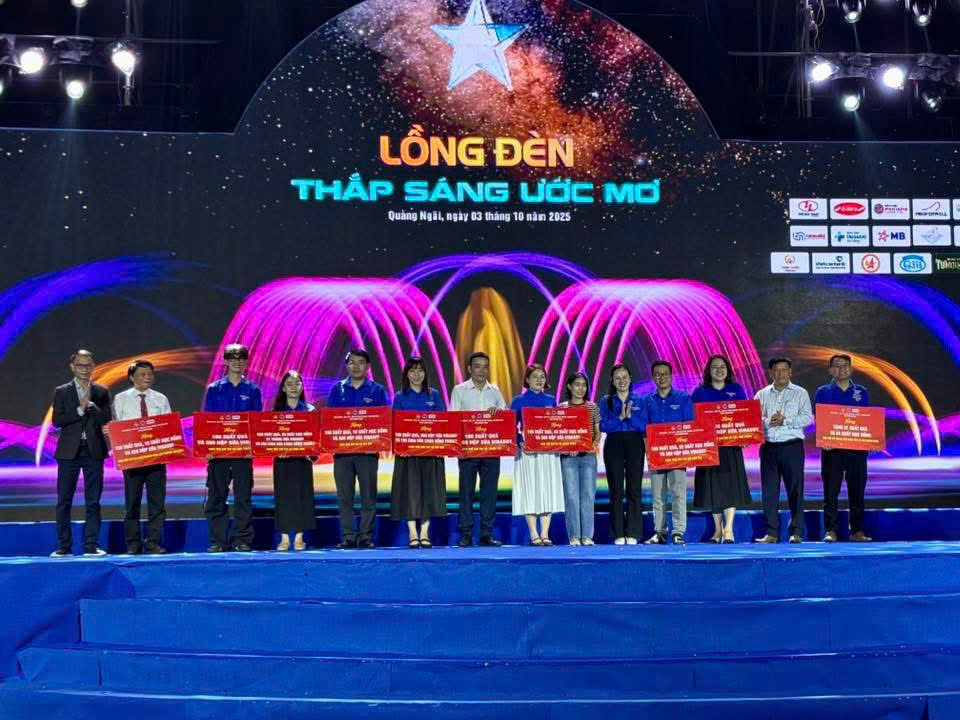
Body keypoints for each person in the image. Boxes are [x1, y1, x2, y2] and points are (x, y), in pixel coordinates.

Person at [50, 349, 112, 557]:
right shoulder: (62, 391)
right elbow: (57, 421)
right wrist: (79, 410)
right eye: (80, 365)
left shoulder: (101, 391)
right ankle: (64, 547)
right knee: (64, 500)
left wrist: (93, 408)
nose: (85, 369)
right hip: (69, 452)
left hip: (94, 451)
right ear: (72, 367)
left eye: (88, 365)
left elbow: (107, 420)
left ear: (93, 367)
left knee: (93, 501)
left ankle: (91, 546)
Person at [203, 343, 263, 553]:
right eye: (233, 358)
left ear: (246, 362)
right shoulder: (214, 389)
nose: (237, 362)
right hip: (219, 453)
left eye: (242, 358)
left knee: (243, 497)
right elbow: (207, 421)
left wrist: (253, 447)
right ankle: (218, 541)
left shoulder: (253, 389)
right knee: (216, 497)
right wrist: (208, 448)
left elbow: (257, 421)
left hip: (243, 453)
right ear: (226, 361)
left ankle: (241, 540)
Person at [327, 349, 389, 549]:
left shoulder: (377, 390)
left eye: (360, 362)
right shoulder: (337, 390)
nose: (356, 366)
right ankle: (348, 536)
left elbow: (383, 421)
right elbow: (331, 421)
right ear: (347, 366)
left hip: (368, 454)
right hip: (343, 454)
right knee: (344, 497)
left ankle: (365, 537)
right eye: (352, 362)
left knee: (368, 497)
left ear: (367, 366)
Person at [692, 355, 752, 543]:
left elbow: (745, 416)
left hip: (731, 447)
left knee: (730, 486)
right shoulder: (699, 392)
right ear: (708, 371)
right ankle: (717, 529)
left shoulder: (737, 390)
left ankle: (729, 529)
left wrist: (745, 437)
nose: (719, 370)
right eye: (715, 367)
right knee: (712, 488)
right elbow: (693, 419)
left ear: (728, 370)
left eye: (722, 367)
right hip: (708, 448)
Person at [113, 359, 171, 555]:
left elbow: (168, 427)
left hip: (156, 460)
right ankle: (133, 544)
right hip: (133, 460)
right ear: (132, 377)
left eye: (150, 374)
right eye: (142, 374)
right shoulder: (121, 399)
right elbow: (118, 428)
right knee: (132, 504)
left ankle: (153, 542)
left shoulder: (161, 399)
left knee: (157, 505)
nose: (147, 377)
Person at [449, 351, 507, 547]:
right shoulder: (459, 390)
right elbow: (453, 419)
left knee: (489, 493)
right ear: (469, 368)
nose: (481, 370)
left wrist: (499, 413)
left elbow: (505, 417)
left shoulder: (495, 391)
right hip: (468, 451)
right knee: (466, 493)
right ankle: (465, 534)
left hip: (491, 450)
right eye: (477, 366)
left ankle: (485, 534)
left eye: (485, 367)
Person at [754, 357, 813, 544]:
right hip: (769, 448)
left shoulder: (800, 393)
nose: (780, 374)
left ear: (790, 372)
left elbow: (807, 418)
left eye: (784, 370)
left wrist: (785, 420)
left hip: (792, 447)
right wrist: (768, 421)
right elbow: (753, 418)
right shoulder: (761, 394)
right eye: (776, 370)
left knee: (795, 490)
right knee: (769, 492)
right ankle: (771, 533)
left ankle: (796, 532)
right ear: (770, 373)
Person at [391, 357, 448, 548]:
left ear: (425, 373)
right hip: (408, 455)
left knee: (428, 492)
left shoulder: (434, 395)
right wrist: (400, 448)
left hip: (430, 453)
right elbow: (395, 425)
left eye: (420, 370)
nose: (417, 374)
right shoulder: (400, 397)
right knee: (410, 493)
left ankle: (424, 533)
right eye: (412, 371)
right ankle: (412, 533)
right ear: (406, 374)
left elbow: (443, 422)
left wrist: (440, 447)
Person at [814, 354, 872, 543]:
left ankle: (857, 531)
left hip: (857, 451)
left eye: (845, 365)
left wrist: (872, 440)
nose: (842, 369)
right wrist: (824, 438)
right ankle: (831, 530)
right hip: (832, 451)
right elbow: (818, 420)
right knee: (830, 492)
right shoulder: (822, 392)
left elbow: (867, 420)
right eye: (837, 366)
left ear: (851, 368)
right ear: (831, 370)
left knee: (857, 492)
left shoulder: (862, 392)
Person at [510, 364, 565, 546]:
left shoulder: (551, 399)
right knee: (530, 490)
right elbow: (511, 426)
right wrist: (520, 441)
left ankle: (545, 533)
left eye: (542, 376)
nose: (539, 380)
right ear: (527, 379)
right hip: (527, 450)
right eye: (535, 376)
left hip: (548, 450)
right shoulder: (518, 400)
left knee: (547, 488)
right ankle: (534, 534)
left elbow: (557, 424)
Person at [643, 360, 694, 545]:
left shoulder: (683, 398)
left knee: (678, 493)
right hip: (656, 454)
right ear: (653, 377)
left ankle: (678, 531)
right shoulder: (647, 400)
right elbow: (644, 429)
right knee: (658, 495)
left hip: (677, 454)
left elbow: (689, 426)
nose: (662, 377)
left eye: (665, 374)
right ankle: (660, 532)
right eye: (658, 374)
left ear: (671, 376)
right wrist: (648, 451)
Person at [599, 364, 646, 545]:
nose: (621, 381)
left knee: (634, 489)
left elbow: (644, 426)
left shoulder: (640, 400)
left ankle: (633, 532)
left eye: (624, 377)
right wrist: (620, 417)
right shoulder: (606, 401)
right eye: (617, 378)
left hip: (634, 443)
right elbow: (604, 426)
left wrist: (630, 417)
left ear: (630, 378)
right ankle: (618, 532)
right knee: (616, 490)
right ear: (612, 381)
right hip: (614, 444)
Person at [271, 370, 316, 551]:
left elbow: (317, 438)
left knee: (302, 497)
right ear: (283, 388)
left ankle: (299, 538)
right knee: (283, 498)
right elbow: (269, 437)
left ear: (302, 387)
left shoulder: (310, 410)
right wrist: (276, 450)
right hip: (282, 461)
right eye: (289, 384)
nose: (293, 387)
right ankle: (284, 538)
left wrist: (311, 454)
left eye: (297, 383)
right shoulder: (276, 412)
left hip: (303, 462)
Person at [558, 372, 601, 546]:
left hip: (588, 456)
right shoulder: (562, 408)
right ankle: (574, 536)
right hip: (568, 458)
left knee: (588, 496)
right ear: (569, 386)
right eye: (577, 384)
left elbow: (597, 432)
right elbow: (558, 433)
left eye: (584, 385)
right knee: (571, 497)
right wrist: (567, 447)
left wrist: (594, 443)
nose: (580, 388)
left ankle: (587, 536)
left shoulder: (592, 407)